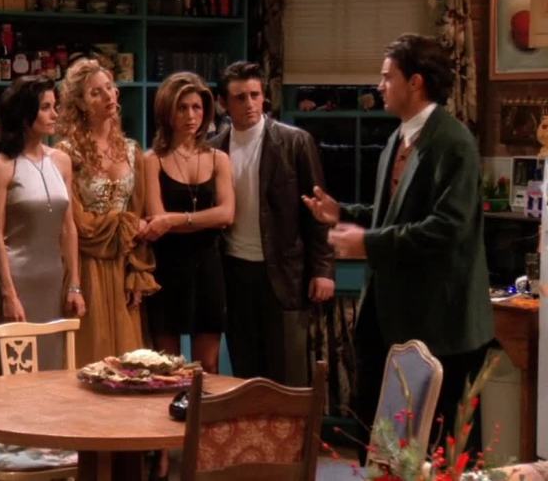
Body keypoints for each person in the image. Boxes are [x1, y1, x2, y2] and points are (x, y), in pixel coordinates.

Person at [303, 34, 494, 448]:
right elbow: (395, 212)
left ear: (416, 82)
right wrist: (342, 212)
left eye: (387, 77)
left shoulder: (453, 142)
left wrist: (369, 243)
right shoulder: (398, 138)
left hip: (441, 322)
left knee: (440, 443)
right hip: (397, 315)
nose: (379, 86)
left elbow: (446, 228)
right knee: (387, 432)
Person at [209, 61, 334, 386]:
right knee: (245, 374)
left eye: (255, 95)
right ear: (223, 103)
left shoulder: (295, 142)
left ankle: (291, 424)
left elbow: (317, 210)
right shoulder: (214, 149)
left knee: (288, 374)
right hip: (235, 271)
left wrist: (323, 268)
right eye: (240, 97)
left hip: (284, 271)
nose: (250, 104)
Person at [55, 57, 159, 366]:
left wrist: (136, 273)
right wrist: (123, 225)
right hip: (86, 265)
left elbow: (138, 214)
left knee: (130, 365)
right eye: (95, 92)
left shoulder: (131, 150)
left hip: (122, 264)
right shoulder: (67, 153)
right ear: (80, 103)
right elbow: (75, 222)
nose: (108, 96)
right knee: (91, 360)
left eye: (110, 88)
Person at [0, 75, 85, 370]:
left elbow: (68, 227)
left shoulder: (62, 161)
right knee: (15, 373)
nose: (55, 114)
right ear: (25, 114)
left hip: (53, 282)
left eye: (55, 106)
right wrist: (8, 293)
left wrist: (75, 285)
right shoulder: (1, 167)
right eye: (46, 107)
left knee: (52, 371)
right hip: (17, 280)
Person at [143, 72, 234, 374]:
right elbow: (156, 221)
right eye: (182, 108)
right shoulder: (152, 160)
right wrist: (202, 220)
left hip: (208, 266)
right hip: (167, 267)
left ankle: (203, 408)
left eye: (197, 107)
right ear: (167, 112)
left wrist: (175, 219)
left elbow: (227, 214)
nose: (191, 116)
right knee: (165, 366)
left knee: (207, 366)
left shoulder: (219, 158)